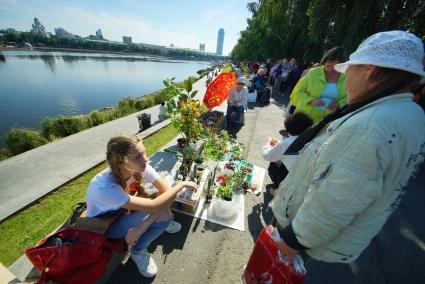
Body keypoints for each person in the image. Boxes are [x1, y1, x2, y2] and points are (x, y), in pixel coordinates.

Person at [271, 31, 425, 266]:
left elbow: (335, 199)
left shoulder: (372, 125)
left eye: (349, 70)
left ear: (369, 70)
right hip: (333, 238)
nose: (345, 78)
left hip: (305, 239)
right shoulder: (412, 114)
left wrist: (292, 241)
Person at [86, 135, 197, 277]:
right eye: (137, 156)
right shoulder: (105, 187)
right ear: (121, 162)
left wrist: (141, 227)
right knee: (164, 215)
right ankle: (138, 250)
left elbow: (166, 194)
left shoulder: (139, 167)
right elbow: (155, 205)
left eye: (143, 152)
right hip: (105, 226)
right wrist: (181, 185)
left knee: (164, 211)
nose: (145, 159)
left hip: (122, 212)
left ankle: (152, 226)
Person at [291, 47, 348, 124]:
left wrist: (339, 104)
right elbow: (299, 91)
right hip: (303, 117)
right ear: (324, 62)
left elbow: (349, 98)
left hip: (327, 121)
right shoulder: (313, 72)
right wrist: (311, 100)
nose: (331, 69)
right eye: (328, 66)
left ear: (342, 66)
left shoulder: (347, 78)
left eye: (335, 67)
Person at [262, 112, 313, 196]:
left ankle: (278, 189)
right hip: (307, 177)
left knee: (274, 162)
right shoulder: (311, 137)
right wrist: (279, 144)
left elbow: (266, 155)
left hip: (294, 179)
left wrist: (267, 143)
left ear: (288, 130)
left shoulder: (287, 143)